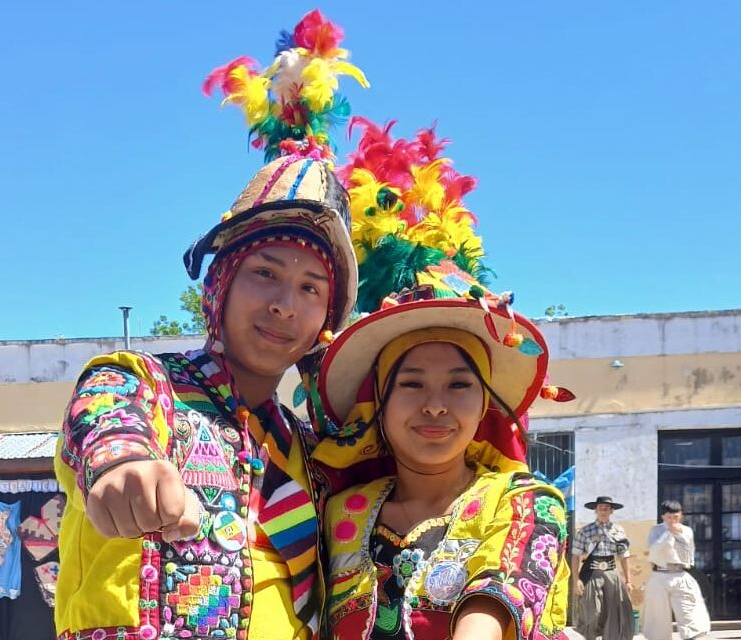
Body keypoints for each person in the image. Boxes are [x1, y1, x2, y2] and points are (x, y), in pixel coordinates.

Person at [53, 10, 367, 640]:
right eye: (264, 274)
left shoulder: (311, 454)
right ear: (219, 286)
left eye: (311, 289)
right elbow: (105, 424)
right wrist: (123, 468)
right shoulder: (140, 384)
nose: (285, 305)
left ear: (325, 320)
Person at [311, 119, 572, 639]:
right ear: (379, 404)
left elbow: (505, 591)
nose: (435, 406)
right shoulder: (340, 512)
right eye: (410, 384)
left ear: (485, 405)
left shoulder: (525, 500)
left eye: (459, 385)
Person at [641, 500, 711, 640]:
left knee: (690, 613)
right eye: (669, 517)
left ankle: (693, 636)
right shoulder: (656, 530)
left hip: (680, 574)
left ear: (681, 516)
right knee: (657, 619)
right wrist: (668, 534)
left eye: (676, 517)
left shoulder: (687, 531)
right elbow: (653, 553)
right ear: (663, 517)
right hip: (659, 574)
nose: (673, 520)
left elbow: (690, 552)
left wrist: (679, 536)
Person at [572, 496, 634, 640]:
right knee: (592, 612)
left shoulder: (618, 531)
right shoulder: (585, 531)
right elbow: (575, 557)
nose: (603, 511)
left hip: (612, 574)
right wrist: (576, 580)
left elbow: (624, 556)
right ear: (595, 510)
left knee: (614, 613)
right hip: (591, 573)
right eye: (600, 508)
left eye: (606, 508)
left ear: (612, 511)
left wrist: (628, 581)